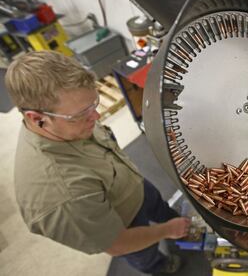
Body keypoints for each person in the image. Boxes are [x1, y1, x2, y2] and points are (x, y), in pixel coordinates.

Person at [5, 50, 191, 274]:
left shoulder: (68, 122)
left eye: (94, 104)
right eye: (82, 114)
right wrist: (165, 231)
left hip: (129, 183)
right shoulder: (63, 196)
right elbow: (118, 243)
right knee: (143, 254)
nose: (96, 117)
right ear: (37, 119)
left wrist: (167, 223)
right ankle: (160, 266)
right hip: (125, 225)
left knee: (160, 207)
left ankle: (174, 224)